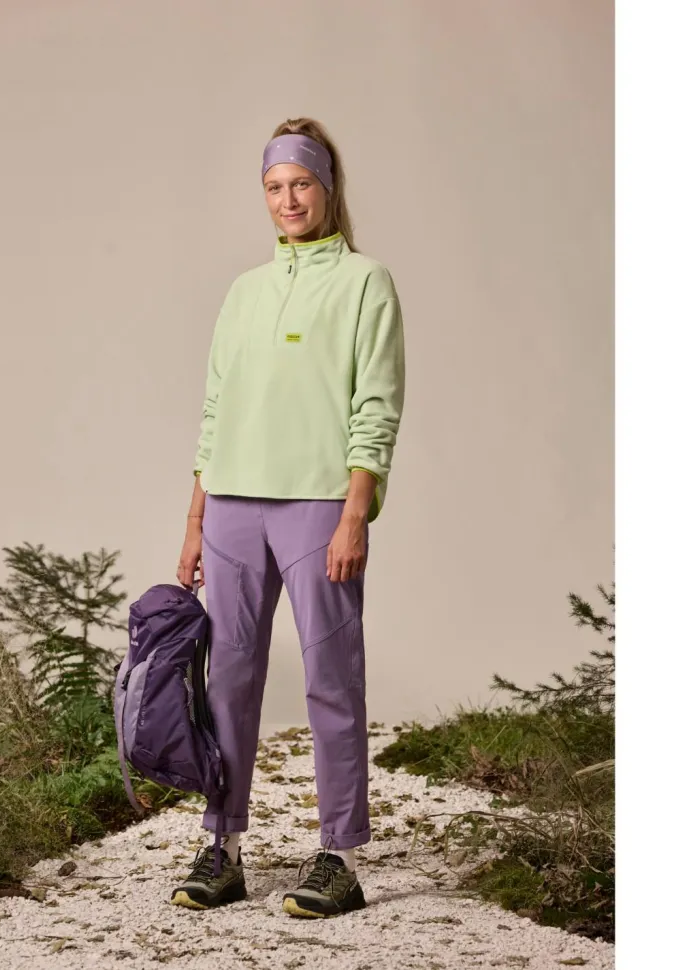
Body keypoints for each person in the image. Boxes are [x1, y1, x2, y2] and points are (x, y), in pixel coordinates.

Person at [170, 118, 406, 918]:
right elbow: (214, 412)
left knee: (331, 678)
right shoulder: (244, 292)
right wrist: (195, 522)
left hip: (317, 504)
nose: (287, 200)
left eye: (301, 183)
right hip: (232, 506)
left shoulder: (366, 283)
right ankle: (223, 847)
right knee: (227, 681)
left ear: (327, 187)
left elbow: (377, 405)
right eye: (274, 186)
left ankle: (339, 856)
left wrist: (356, 512)